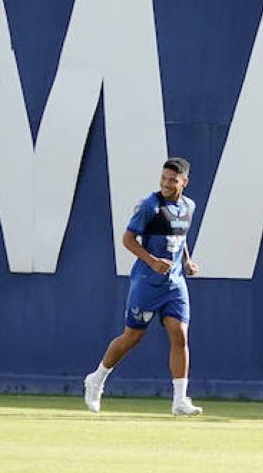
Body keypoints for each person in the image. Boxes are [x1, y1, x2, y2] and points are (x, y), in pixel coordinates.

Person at [83, 157, 202, 416]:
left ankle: (180, 400)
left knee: (180, 335)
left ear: (185, 182)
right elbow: (128, 239)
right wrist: (151, 260)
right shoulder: (150, 206)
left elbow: (179, 237)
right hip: (147, 282)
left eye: (173, 180)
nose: (167, 184)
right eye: (163, 178)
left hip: (175, 283)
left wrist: (188, 261)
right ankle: (97, 378)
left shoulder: (189, 206)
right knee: (132, 337)